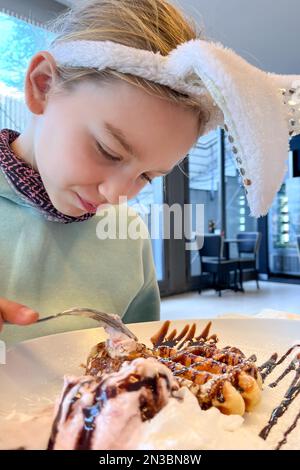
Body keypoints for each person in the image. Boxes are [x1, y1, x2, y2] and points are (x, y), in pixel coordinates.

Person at [0, 0, 204, 345]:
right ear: (43, 85)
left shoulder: (126, 235)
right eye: (108, 150)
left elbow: (138, 362)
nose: (116, 195)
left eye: (147, 176)